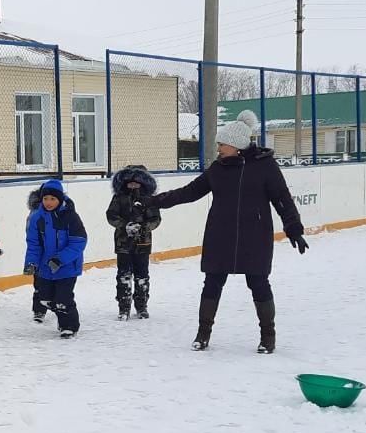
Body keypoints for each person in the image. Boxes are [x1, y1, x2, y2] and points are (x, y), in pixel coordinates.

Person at [148, 110, 307, 353]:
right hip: (220, 235)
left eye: (222, 144)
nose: (219, 148)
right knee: (212, 283)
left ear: (237, 145)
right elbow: (189, 192)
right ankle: (203, 335)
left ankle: (268, 337)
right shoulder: (218, 169)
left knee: (259, 283)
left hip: (254, 236)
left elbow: (282, 199)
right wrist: (154, 201)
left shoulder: (265, 167)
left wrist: (293, 228)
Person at [24, 179, 87, 339]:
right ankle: (62, 314)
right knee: (45, 298)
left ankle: (69, 326)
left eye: (53, 199)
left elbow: (78, 242)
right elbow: (33, 244)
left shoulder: (70, 216)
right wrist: (31, 262)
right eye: (45, 199)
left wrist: (60, 259)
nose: (49, 202)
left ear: (60, 199)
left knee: (63, 298)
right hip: (46, 267)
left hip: (66, 267)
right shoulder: (37, 218)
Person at [106, 165, 161, 321]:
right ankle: (123, 307)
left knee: (142, 276)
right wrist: (125, 226)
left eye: (136, 183)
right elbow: (111, 215)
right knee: (123, 275)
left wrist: (142, 227)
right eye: (130, 183)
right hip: (123, 243)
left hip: (143, 244)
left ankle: (142, 306)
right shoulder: (118, 198)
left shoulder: (149, 200)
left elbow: (155, 219)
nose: (133, 186)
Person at [26, 189, 48, 323]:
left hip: (55, 254)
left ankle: (58, 306)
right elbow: (31, 237)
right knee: (39, 283)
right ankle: (39, 310)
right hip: (40, 254)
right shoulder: (34, 215)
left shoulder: (61, 213)